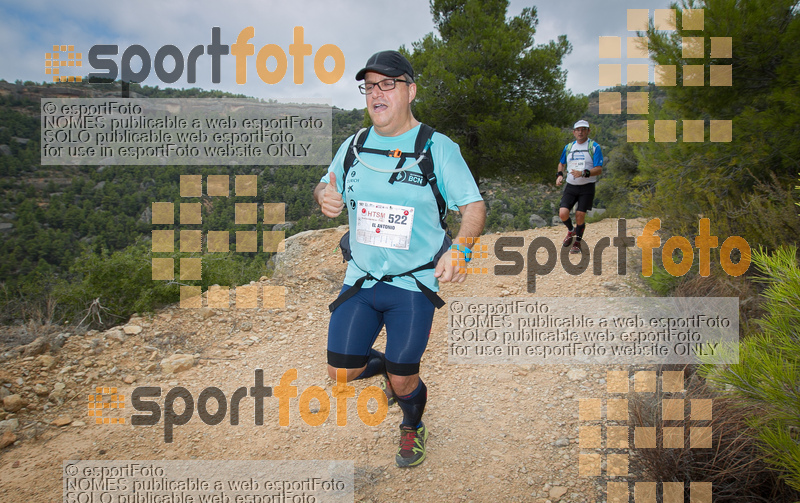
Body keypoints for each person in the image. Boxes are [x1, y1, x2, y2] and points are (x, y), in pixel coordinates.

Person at [314, 50, 485, 468]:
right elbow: (325, 184)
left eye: (387, 83)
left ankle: (412, 425)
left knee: (404, 378)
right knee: (340, 375)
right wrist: (324, 197)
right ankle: (392, 370)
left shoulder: (436, 148)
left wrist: (461, 249)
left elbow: (474, 206)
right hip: (362, 277)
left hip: (413, 283)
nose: (377, 93)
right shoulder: (353, 145)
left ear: (410, 90)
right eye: (370, 85)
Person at [556, 119, 603, 254]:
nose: (580, 132)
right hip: (571, 185)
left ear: (588, 131)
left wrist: (584, 173)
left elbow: (598, 169)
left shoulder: (594, 147)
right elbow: (561, 163)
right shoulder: (569, 147)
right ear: (574, 132)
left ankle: (577, 243)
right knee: (563, 214)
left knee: (580, 215)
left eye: (583, 129)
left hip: (587, 186)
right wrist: (559, 175)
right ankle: (571, 230)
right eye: (578, 130)